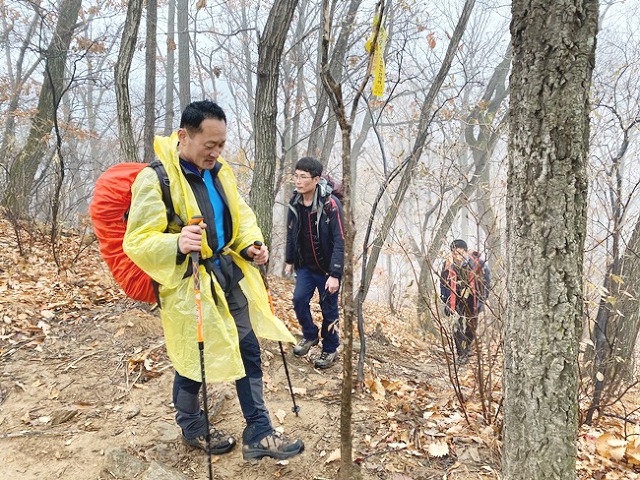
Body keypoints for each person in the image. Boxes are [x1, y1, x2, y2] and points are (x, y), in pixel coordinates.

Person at [123, 100, 304, 461]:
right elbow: (137, 240)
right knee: (195, 358)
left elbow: (241, 216)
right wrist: (176, 242)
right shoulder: (156, 179)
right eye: (210, 144)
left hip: (227, 273)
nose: (216, 152)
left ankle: (259, 432)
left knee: (248, 348)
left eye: (221, 144)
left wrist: (252, 245)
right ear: (184, 136)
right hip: (187, 282)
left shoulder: (220, 173)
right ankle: (192, 426)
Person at [284, 157, 345, 369]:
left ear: (316, 179)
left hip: (327, 270)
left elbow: (340, 240)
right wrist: (290, 259)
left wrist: (335, 274)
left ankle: (330, 348)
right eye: (296, 176)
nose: (298, 181)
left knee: (329, 310)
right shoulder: (295, 201)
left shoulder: (331, 204)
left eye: (303, 177)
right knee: (299, 300)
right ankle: (310, 335)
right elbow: (291, 231)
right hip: (306, 267)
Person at [440, 239, 486, 364]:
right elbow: (443, 282)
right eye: (454, 253)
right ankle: (462, 354)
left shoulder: (476, 263)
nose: (457, 256)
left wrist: (482, 299)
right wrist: (445, 299)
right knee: (456, 325)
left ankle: (468, 346)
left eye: (460, 253)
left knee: (472, 325)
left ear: (465, 252)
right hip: (455, 298)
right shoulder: (447, 264)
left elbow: (486, 281)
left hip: (472, 298)